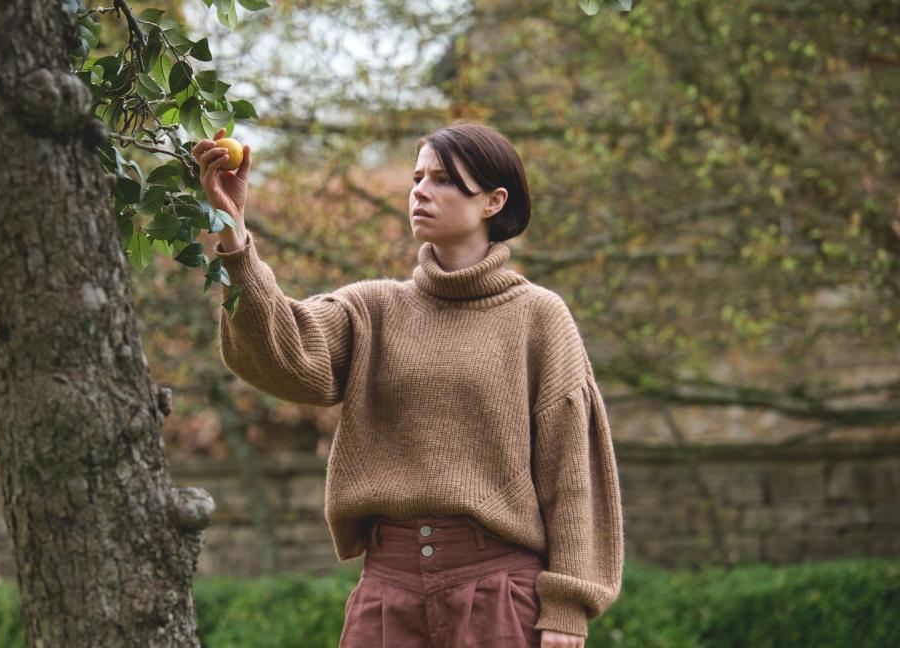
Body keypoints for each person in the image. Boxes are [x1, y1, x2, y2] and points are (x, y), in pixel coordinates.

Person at [191, 122, 623, 647]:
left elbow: (574, 473)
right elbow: (281, 352)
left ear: (493, 200)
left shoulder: (539, 318)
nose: (419, 190)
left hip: (500, 598)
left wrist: (567, 609)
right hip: (386, 597)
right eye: (417, 177)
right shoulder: (372, 309)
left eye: (442, 179)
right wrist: (234, 234)